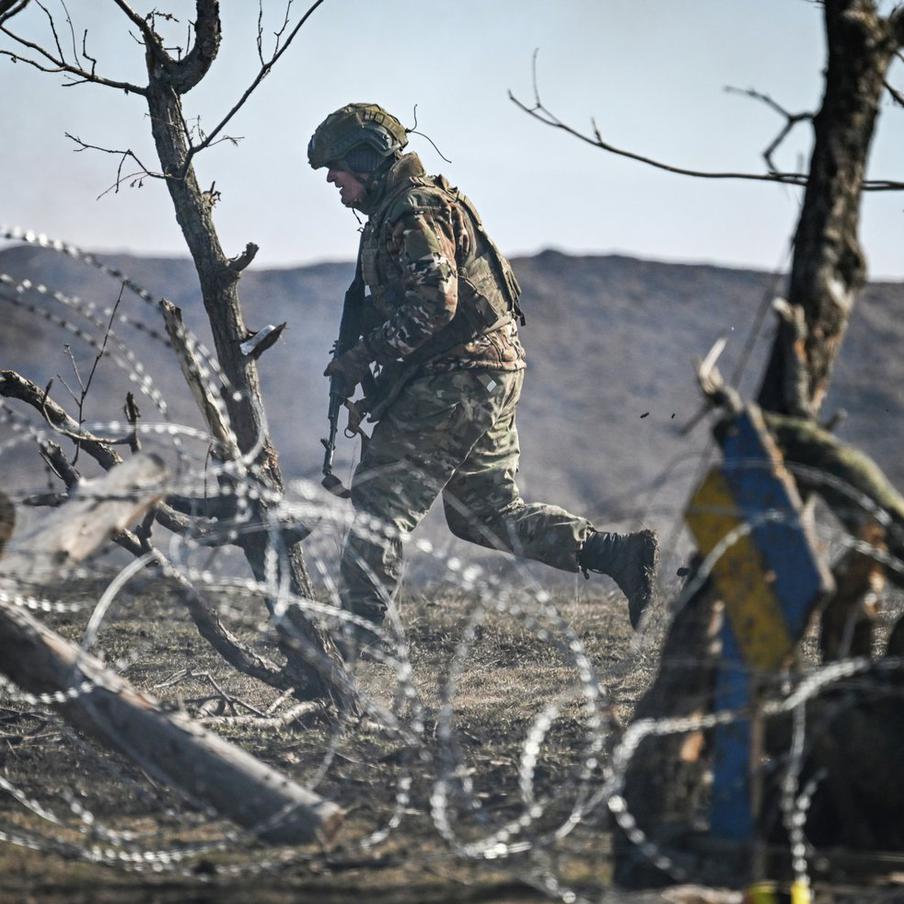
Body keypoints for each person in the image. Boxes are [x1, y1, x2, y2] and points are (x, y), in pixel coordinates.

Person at [307, 103, 658, 653]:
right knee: (486, 514)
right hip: (486, 372)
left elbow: (435, 306)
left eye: (337, 167)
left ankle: (363, 640)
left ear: (366, 158)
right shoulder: (402, 208)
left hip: (459, 377)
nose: (332, 180)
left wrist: (363, 357)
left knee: (379, 506)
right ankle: (616, 553)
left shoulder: (412, 210)